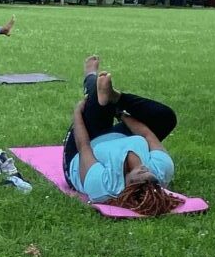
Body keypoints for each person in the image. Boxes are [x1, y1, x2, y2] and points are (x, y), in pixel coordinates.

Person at [63, 55, 182, 217]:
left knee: (98, 102)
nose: (145, 170)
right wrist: (120, 112)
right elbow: (146, 134)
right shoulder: (162, 170)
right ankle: (115, 96)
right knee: (165, 117)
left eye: (140, 175)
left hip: (83, 149)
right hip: (117, 137)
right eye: (152, 179)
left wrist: (77, 114)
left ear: (127, 184)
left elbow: (84, 146)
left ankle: (90, 77)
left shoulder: (104, 186)